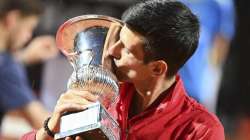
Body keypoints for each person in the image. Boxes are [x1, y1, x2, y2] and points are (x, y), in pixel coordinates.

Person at [22, 0, 224, 140]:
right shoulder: (98, 96)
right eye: (118, 38)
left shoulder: (201, 130)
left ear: (157, 68)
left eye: (126, 49)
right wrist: (49, 129)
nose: (111, 50)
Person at [0, 0, 58, 130]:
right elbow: (44, 124)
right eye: (29, 28)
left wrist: (25, 56)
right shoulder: (6, 67)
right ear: (12, 19)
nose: (29, 36)